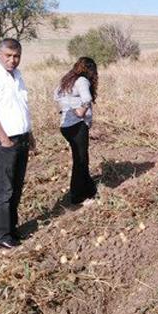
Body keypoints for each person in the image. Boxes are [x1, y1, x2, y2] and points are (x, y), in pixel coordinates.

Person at [0, 38, 36, 249]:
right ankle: (1, 236)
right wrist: (4, 139)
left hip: (20, 138)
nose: (13, 60)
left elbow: (22, 107)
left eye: (16, 56)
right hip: (5, 142)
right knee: (5, 190)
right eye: (8, 56)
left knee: (17, 187)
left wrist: (29, 134)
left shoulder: (18, 76)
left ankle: (12, 229)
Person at [54, 57, 98, 205]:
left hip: (66, 126)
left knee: (80, 158)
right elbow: (87, 98)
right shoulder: (82, 81)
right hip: (77, 125)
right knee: (81, 161)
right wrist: (80, 111)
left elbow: (56, 97)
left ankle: (90, 189)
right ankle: (78, 197)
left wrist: (66, 108)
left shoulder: (68, 80)